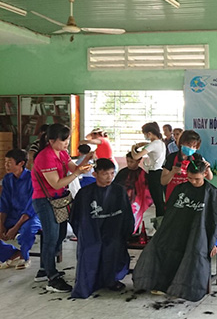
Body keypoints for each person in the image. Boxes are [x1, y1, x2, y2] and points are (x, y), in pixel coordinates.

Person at [133, 158, 217, 301]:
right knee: (158, 246)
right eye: (189, 178)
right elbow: (170, 213)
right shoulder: (180, 189)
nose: (193, 182)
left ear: (204, 174)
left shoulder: (212, 193)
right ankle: (160, 282)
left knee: (195, 252)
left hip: (199, 233)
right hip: (176, 229)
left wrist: (214, 241)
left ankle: (187, 286)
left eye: (196, 179)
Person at [31, 123, 92, 292]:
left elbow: (74, 168)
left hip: (59, 200)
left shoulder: (62, 153)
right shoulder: (45, 157)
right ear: (51, 140)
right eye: (64, 140)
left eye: (68, 139)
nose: (67, 143)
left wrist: (86, 163)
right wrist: (76, 174)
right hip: (45, 200)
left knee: (61, 234)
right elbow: (56, 182)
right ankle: (52, 278)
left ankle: (45, 269)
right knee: (51, 237)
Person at [69, 158, 134, 298]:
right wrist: (83, 234)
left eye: (112, 173)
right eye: (105, 174)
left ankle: (111, 280)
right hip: (91, 232)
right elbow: (75, 217)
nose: (109, 177)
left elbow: (127, 215)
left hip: (113, 232)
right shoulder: (84, 193)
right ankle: (90, 282)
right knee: (91, 249)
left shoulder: (119, 191)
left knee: (113, 249)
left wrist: (126, 233)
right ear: (95, 174)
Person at [0, 149, 41, 270]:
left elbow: (31, 207)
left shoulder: (32, 178)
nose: (6, 165)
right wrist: (1, 224)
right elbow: (4, 203)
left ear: (21, 163)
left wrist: (15, 228)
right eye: (5, 162)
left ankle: (24, 256)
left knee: (27, 230)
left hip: (31, 216)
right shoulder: (7, 179)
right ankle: (12, 253)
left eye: (9, 162)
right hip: (13, 214)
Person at [161, 130, 213, 202]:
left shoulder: (197, 157)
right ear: (181, 143)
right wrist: (172, 172)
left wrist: (208, 168)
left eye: (194, 146)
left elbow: (209, 178)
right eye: (188, 145)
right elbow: (163, 181)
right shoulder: (171, 158)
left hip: (192, 195)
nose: (191, 148)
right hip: (174, 195)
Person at [131, 122, 166, 217]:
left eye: (145, 134)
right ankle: (160, 220)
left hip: (154, 174)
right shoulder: (161, 143)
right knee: (159, 200)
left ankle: (160, 221)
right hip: (160, 172)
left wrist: (133, 148)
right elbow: (149, 145)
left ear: (149, 133)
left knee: (157, 201)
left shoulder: (153, 144)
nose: (145, 136)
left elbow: (136, 156)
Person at [114, 152, 154, 233]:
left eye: (131, 162)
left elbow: (146, 189)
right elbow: (115, 187)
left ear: (139, 161)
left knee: (135, 218)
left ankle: (134, 233)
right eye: (128, 161)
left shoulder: (142, 174)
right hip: (123, 200)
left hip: (137, 202)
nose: (129, 164)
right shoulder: (122, 173)